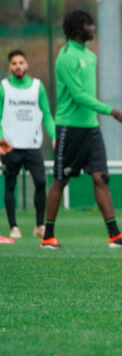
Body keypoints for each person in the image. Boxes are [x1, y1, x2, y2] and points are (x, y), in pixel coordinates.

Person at [41, 10, 122, 250]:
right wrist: (113, 112)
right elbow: (78, 96)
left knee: (101, 177)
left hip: (91, 128)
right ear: (78, 28)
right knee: (60, 180)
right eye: (89, 25)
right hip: (70, 128)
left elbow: (88, 95)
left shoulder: (90, 56)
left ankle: (114, 235)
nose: (93, 28)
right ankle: (47, 236)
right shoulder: (66, 56)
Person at [0, 49, 55, 240]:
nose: (18, 66)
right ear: (10, 66)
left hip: (32, 146)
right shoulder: (3, 87)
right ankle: (13, 226)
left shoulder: (37, 87)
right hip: (10, 146)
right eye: (14, 63)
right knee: (10, 185)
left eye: (21, 62)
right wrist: (0, 138)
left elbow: (47, 114)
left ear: (27, 65)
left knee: (41, 182)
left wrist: (54, 135)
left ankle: (40, 225)